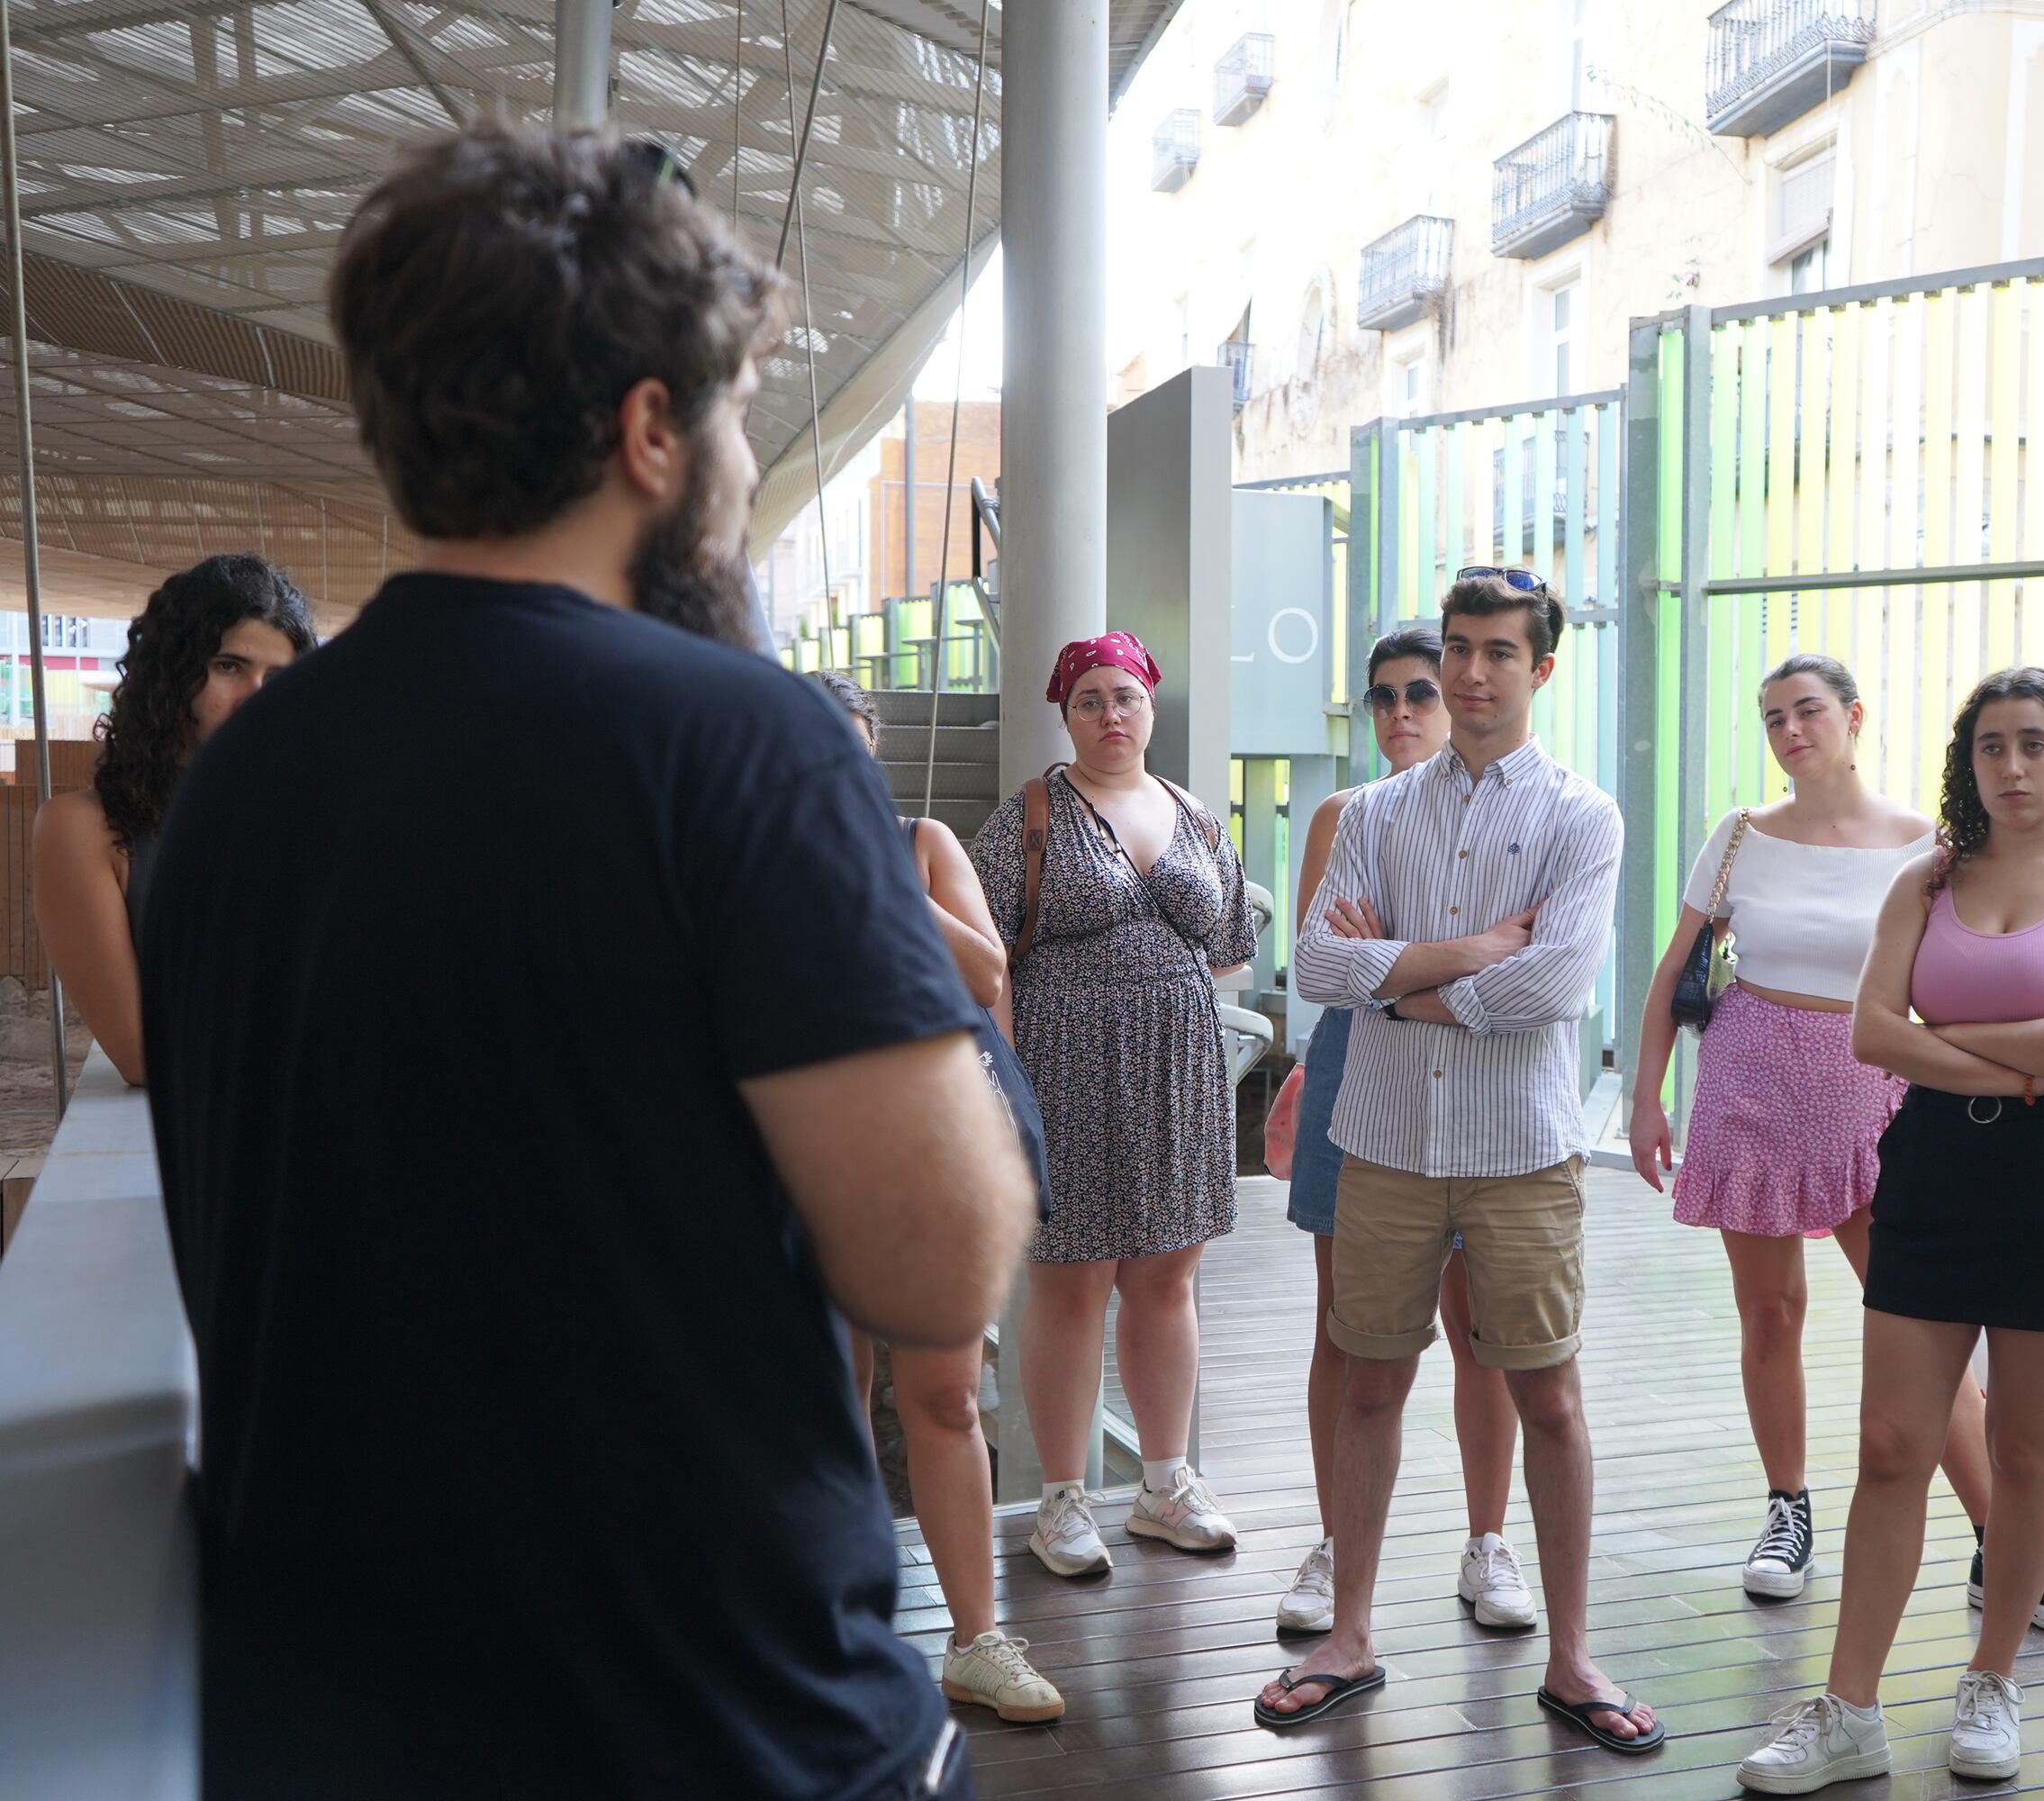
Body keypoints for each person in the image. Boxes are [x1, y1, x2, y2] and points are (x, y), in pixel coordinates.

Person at [140, 122, 1034, 1801]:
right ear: (646, 433)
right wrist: (949, 996)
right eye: (739, 419)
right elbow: (939, 1268)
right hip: (716, 1732)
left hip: (334, 1734)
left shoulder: (237, 784)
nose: (747, 465)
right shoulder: (739, 745)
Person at [1736, 666, 2044, 1793]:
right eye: (1989, 747)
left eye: (2033, 743)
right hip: (1931, 1158)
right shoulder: (1924, 881)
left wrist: (1982, 1045)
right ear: (1965, 763)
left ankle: (1991, 1676)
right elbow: (1875, 1032)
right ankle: (1849, 1706)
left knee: (2024, 1449)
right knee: (1889, 1446)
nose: (2011, 767)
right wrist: (2019, 1063)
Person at [1629, 652, 2044, 1631]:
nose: (1789, 730)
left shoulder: (1924, 848)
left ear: (1853, 715)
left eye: (1806, 710)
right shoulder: (1737, 835)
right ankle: (1785, 1508)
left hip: (1875, 1091)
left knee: (1919, 1322)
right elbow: (1672, 965)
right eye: (1771, 717)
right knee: (1768, 1312)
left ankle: (2006, 1546)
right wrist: (1645, 1097)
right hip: (1750, 1076)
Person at [1263, 568, 1653, 1752]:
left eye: (1498, 652)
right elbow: (1314, 969)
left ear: (1542, 668)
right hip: (1381, 1142)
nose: (1473, 673)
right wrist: (1466, 953)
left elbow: (1554, 986)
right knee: (1370, 1379)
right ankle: (1351, 1638)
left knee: (1550, 1396)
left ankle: (1575, 1659)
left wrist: (1404, 982)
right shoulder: (1376, 814)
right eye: (1459, 647)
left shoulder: (1583, 817)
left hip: (1523, 1154)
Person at [970, 631, 1260, 1578]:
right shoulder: (1031, 816)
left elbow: (1225, 945)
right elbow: (980, 954)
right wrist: (1005, 1073)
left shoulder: (1192, 810)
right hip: (1061, 1063)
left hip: (1175, 1063)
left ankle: (1165, 1482)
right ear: (1065, 712)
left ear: (1150, 704)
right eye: (1090, 698)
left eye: (1125, 695)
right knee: (1068, 1280)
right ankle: (1060, 1496)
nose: (1110, 714)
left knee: (1167, 1278)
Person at [810, 670, 1063, 1725]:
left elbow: (981, 975)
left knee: (946, 1396)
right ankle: (842, 1629)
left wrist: (877, 880)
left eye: (849, 750)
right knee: (826, 1399)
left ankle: (974, 1637)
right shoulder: (741, 862)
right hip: (803, 1147)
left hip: (928, 1147)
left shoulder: (916, 844)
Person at [1271, 624, 1530, 1640]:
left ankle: (1487, 1537)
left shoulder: (1516, 811)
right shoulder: (1346, 813)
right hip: (1359, 1078)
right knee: (1347, 1324)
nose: (1403, 712)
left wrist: (1391, 953)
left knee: (1483, 1332)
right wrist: (1450, 955)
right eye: (1382, 695)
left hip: (1479, 1084)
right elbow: (1322, 965)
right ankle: (1337, 1540)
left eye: (1419, 690)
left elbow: (1520, 973)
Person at [32, 554, 312, 1085]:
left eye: (278, 676)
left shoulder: (319, 814)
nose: (256, 697)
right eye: (228, 666)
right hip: (192, 1148)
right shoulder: (83, 828)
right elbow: (143, 1054)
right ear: (170, 673)